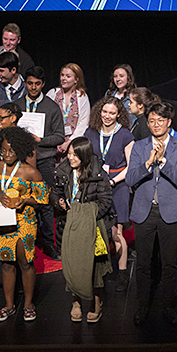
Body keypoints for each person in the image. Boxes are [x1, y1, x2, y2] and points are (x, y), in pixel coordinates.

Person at [127, 102, 177, 325]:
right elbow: (130, 179)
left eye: (160, 121)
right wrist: (148, 163)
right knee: (143, 264)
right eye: (152, 121)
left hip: (169, 213)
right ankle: (143, 306)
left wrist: (162, 161)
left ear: (168, 122)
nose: (155, 125)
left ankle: (167, 306)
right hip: (145, 211)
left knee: (169, 264)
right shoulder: (140, 146)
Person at [0, 126, 49, 322]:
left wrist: (25, 200)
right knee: (6, 263)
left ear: (19, 149)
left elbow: (42, 199)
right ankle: (9, 305)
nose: (7, 154)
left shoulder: (30, 172)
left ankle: (28, 304)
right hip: (3, 221)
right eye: (3, 150)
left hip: (24, 221)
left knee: (25, 262)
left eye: (11, 150)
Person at [51, 137, 114, 322]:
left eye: (74, 155)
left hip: (91, 227)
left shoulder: (98, 174)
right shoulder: (63, 171)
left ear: (84, 155)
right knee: (73, 265)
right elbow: (54, 192)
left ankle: (96, 302)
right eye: (69, 154)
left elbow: (105, 202)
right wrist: (58, 201)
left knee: (92, 267)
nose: (70, 158)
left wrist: (84, 214)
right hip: (68, 225)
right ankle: (76, 301)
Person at [14, 66, 65, 259]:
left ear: (43, 84)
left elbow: (60, 136)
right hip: (21, 164)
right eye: (30, 83)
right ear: (25, 83)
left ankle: (49, 243)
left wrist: (40, 140)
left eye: (37, 84)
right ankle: (27, 242)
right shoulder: (17, 105)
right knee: (23, 201)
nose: (33, 87)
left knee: (44, 202)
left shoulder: (51, 107)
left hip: (44, 161)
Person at [84, 96, 134, 291]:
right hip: (95, 185)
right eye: (104, 112)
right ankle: (98, 270)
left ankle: (122, 272)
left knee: (117, 232)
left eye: (112, 113)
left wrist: (112, 181)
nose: (107, 116)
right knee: (96, 229)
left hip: (117, 184)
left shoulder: (125, 135)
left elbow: (130, 167)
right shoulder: (91, 132)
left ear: (119, 114)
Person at [47, 63, 90, 160]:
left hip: (73, 143)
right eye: (62, 75)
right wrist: (53, 142)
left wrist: (69, 142)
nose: (63, 78)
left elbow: (83, 123)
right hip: (53, 143)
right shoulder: (52, 93)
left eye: (68, 76)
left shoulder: (81, 96)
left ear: (76, 79)